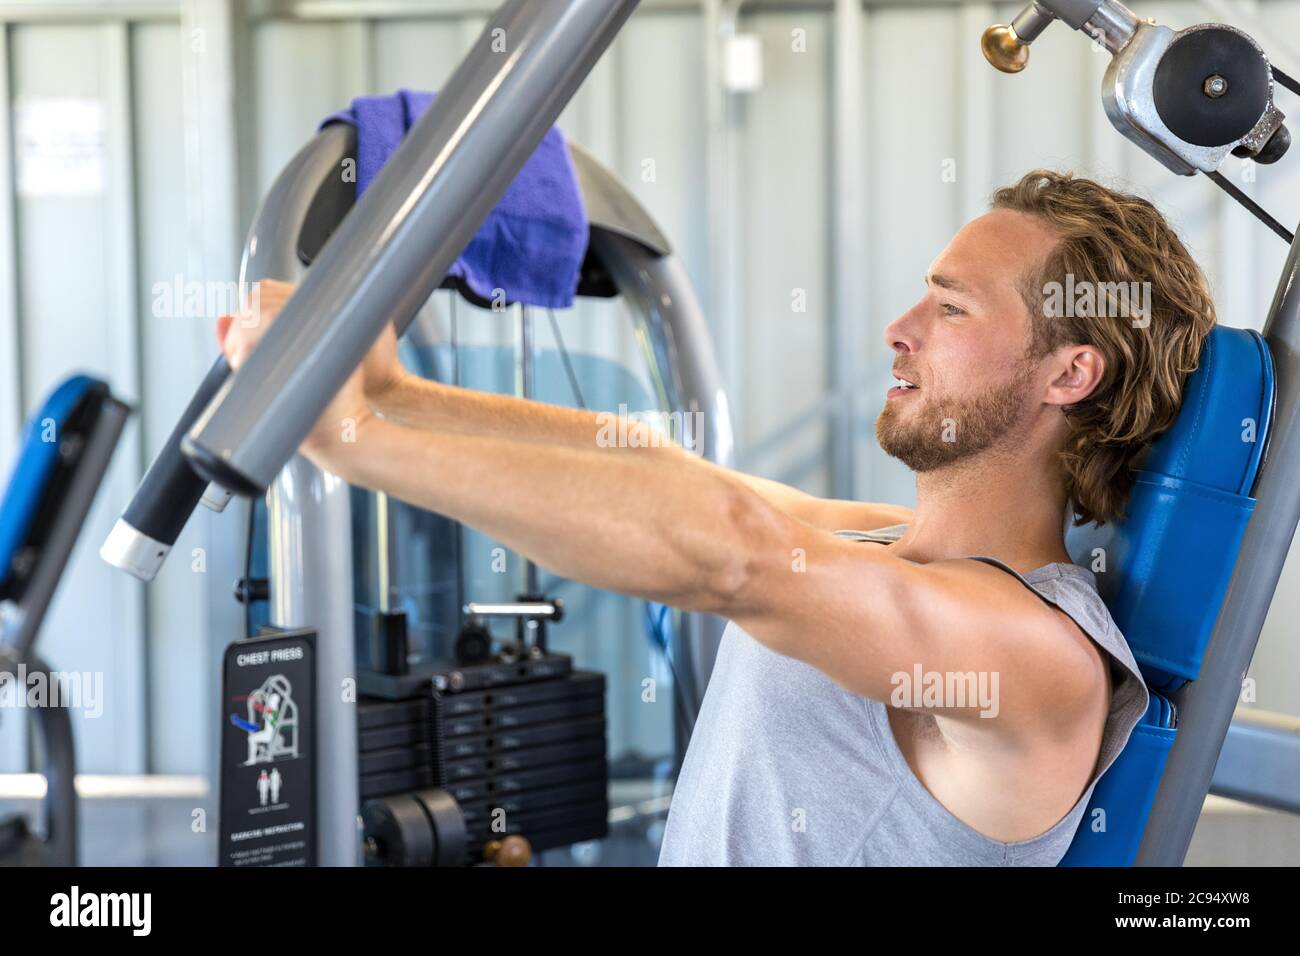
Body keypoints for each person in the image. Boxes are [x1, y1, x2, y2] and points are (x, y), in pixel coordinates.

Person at [217, 169, 1215, 865]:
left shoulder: (1036, 656)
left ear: (1068, 371)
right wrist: (395, 394)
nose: (898, 330)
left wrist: (350, 438)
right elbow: (672, 477)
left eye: (950, 309)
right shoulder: (887, 548)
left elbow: (740, 553)